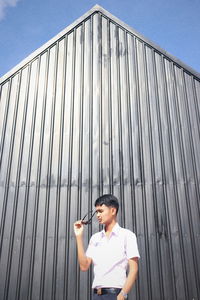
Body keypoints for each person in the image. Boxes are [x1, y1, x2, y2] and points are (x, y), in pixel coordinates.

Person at [74, 194, 140, 300]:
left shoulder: (127, 235)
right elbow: (84, 266)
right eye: (97, 212)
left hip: (115, 294)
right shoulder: (95, 238)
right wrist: (78, 237)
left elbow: (134, 270)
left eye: (101, 211)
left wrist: (122, 295)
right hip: (96, 295)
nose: (97, 215)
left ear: (113, 211)